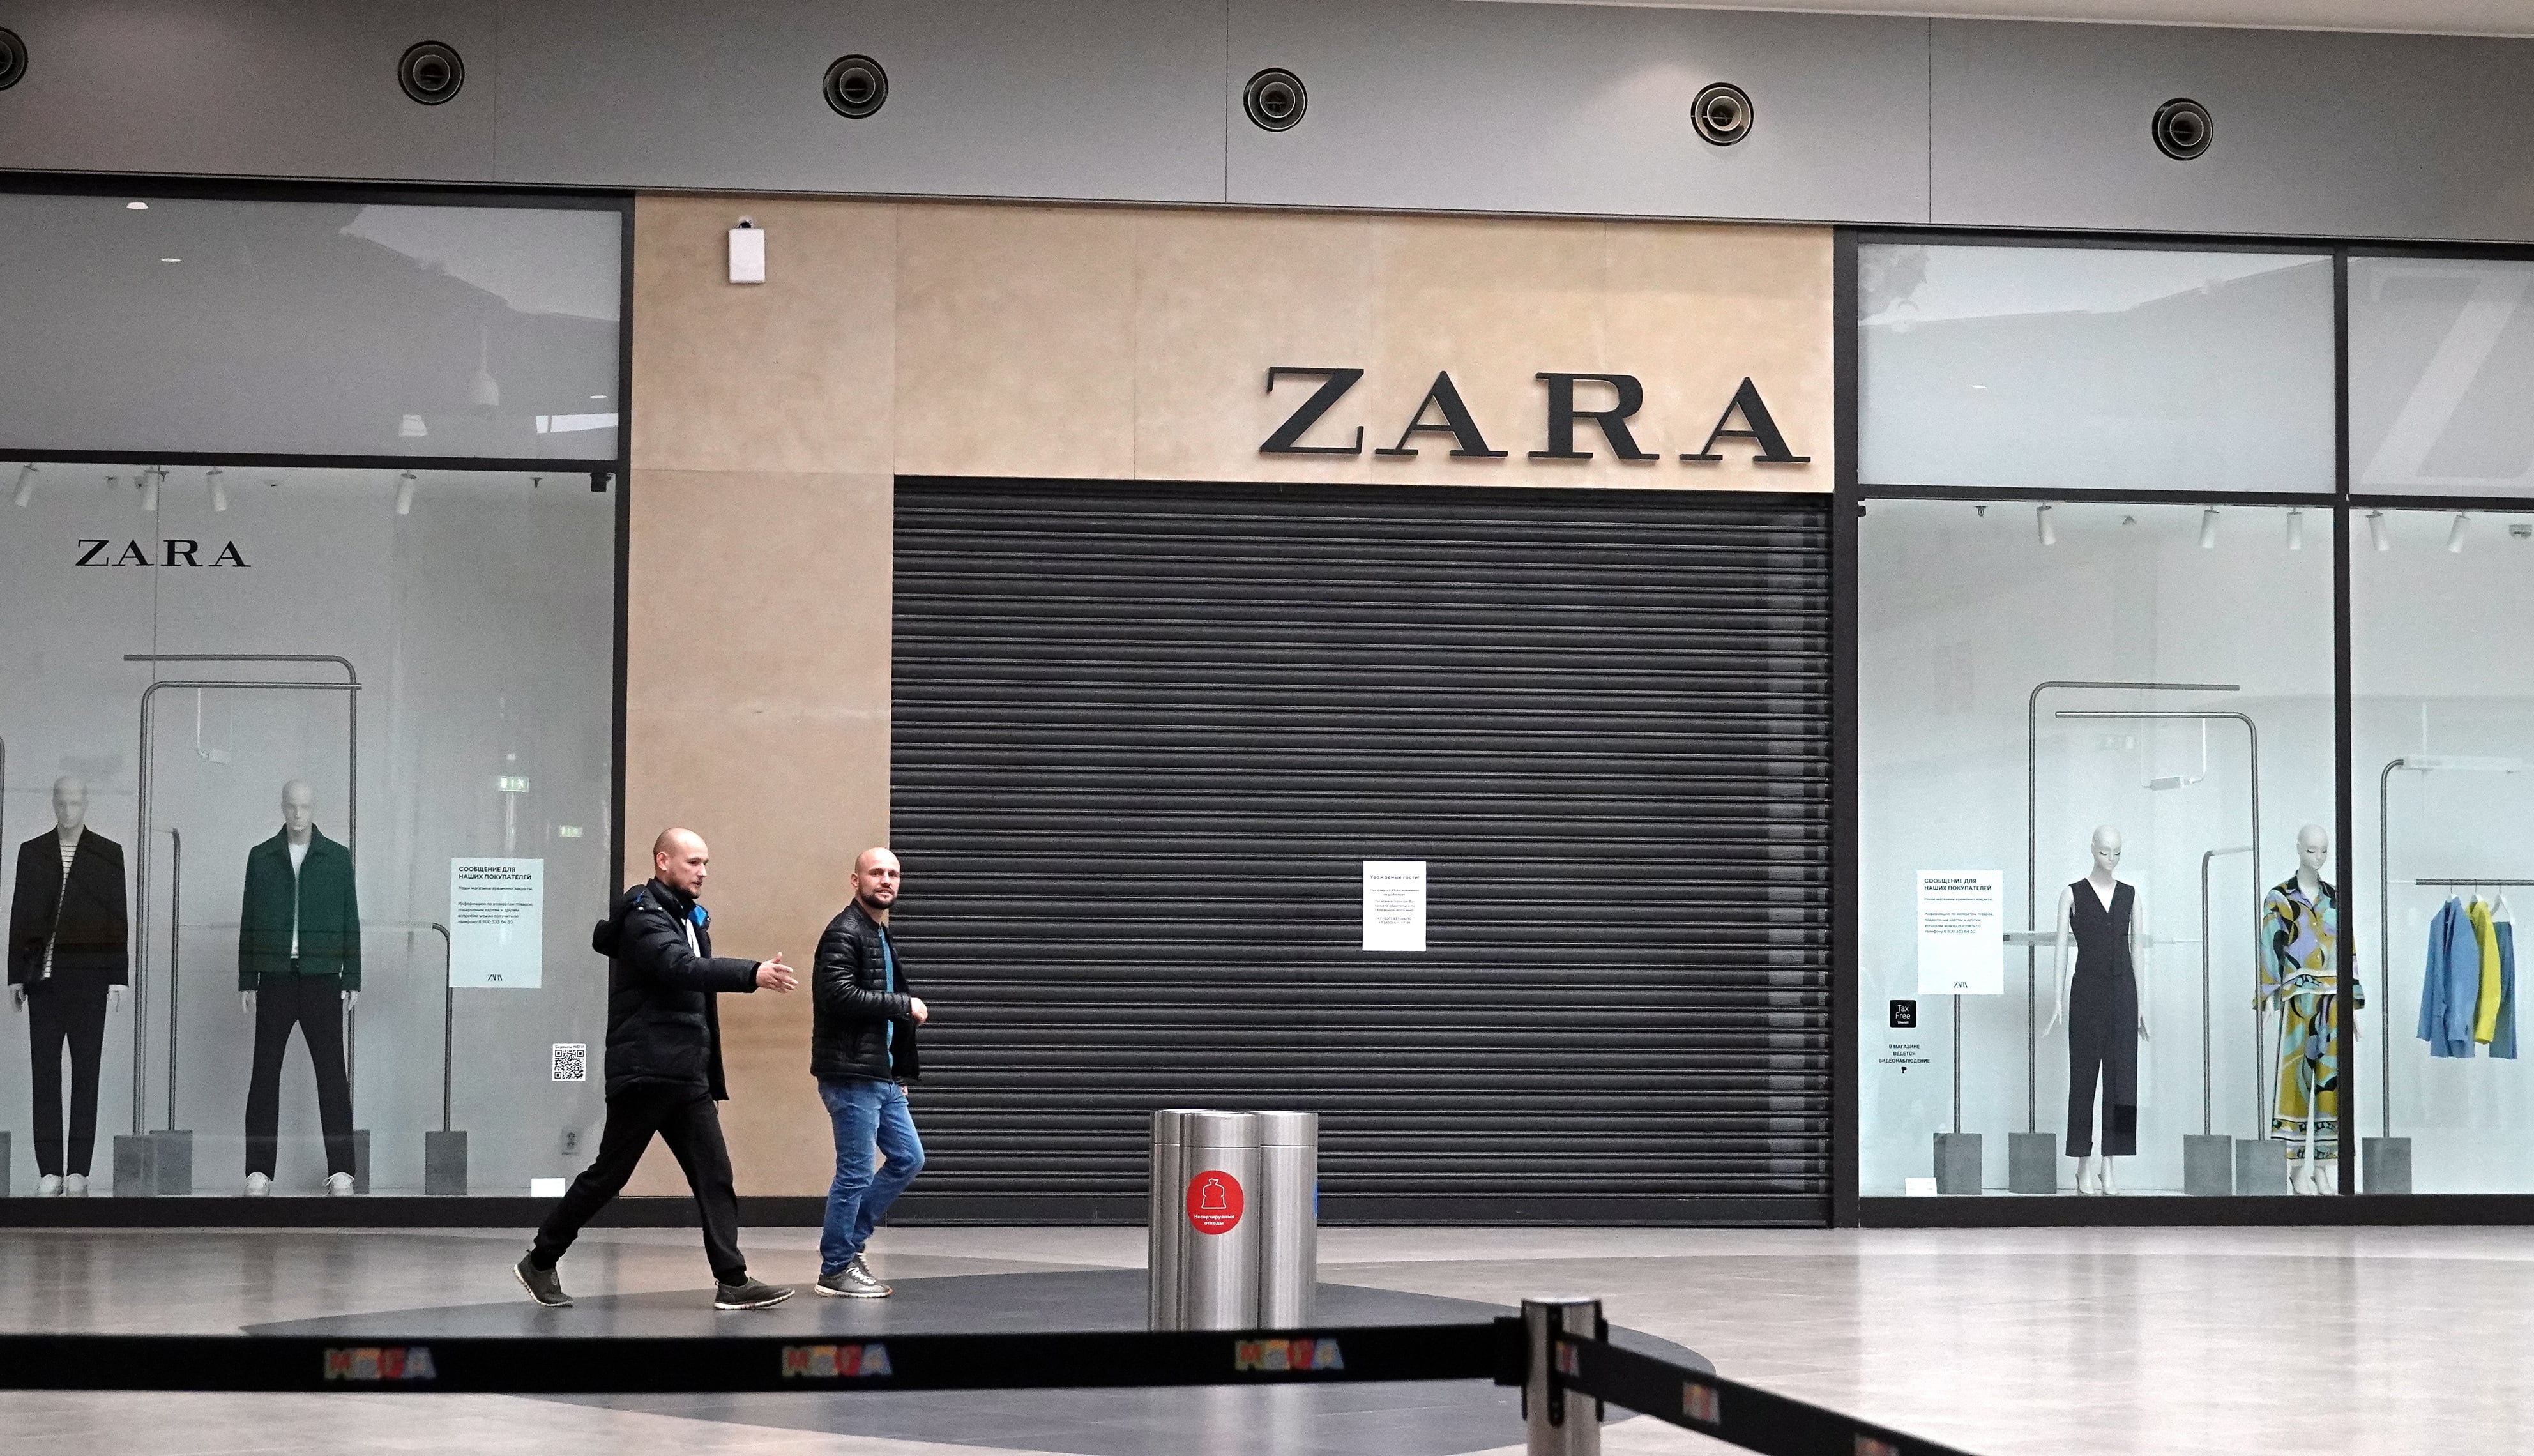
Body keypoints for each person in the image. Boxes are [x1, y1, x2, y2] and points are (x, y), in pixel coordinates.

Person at [515, 828, 797, 1311]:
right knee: (609, 1175)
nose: (703, 872)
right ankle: (541, 1259)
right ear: (663, 861)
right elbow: (680, 969)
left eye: (706, 863)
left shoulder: (688, 917)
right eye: (693, 863)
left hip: (684, 1070)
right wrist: (752, 973)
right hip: (647, 1069)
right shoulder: (644, 917)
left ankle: (733, 1280)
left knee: (714, 1174)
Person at [809, 847, 928, 1298]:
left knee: (908, 1158)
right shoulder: (845, 932)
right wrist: (904, 1005)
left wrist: (898, 1073)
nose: (887, 881)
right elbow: (837, 995)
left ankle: (848, 1246)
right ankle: (836, 1267)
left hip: (881, 1076)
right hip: (851, 1076)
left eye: (894, 874)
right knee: (855, 1173)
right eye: (876, 873)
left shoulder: (877, 933)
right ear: (855, 880)